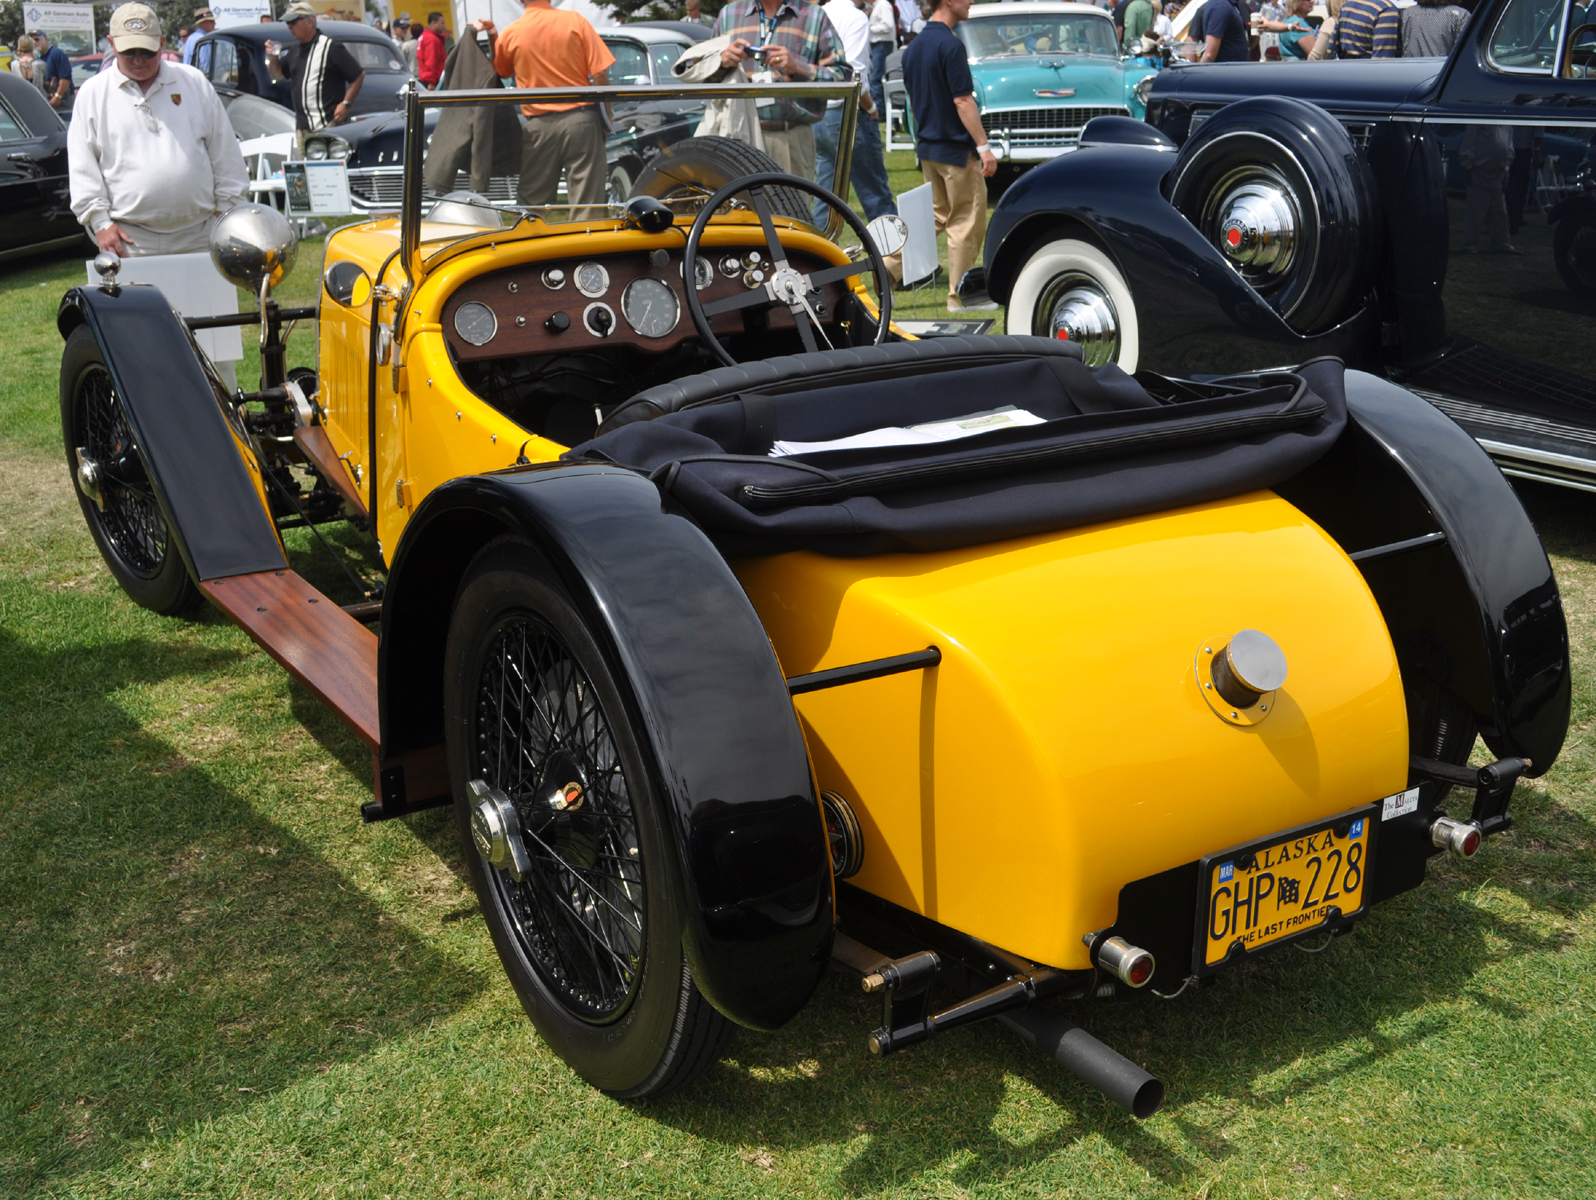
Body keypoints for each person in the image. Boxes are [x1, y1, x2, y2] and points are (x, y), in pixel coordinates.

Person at [69, 3, 248, 258]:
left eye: (147, 51)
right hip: (128, 241)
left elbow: (225, 153)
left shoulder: (194, 82)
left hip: (201, 233)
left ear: (162, 43)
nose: (139, 60)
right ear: (111, 44)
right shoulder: (92, 93)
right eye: (129, 52)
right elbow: (82, 167)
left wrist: (227, 211)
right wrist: (101, 223)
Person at [894, 0, 997, 312]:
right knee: (965, 222)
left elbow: (913, 103)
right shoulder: (951, 46)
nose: (971, 2)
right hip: (954, 151)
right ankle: (961, 297)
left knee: (936, 217)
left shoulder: (912, 49)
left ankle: (884, 266)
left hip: (928, 149)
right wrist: (983, 146)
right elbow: (963, 101)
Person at [473, 0, 614, 210]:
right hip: (581, 120)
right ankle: (586, 241)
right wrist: (607, 115)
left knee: (532, 204)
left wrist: (493, 33)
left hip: (538, 125)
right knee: (588, 204)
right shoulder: (575, 21)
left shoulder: (512, 32)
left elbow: (501, 71)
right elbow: (600, 73)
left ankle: (531, 240)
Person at [713, 0, 849, 181]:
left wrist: (798, 68)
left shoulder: (814, 16)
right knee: (738, 209)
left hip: (791, 138)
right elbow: (703, 74)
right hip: (737, 136)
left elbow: (842, 80)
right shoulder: (728, 15)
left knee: (789, 209)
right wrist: (720, 63)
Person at [814, 0, 896, 224]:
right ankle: (892, 258)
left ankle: (820, 258)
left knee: (825, 199)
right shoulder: (855, 17)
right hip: (847, 112)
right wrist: (871, 107)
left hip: (817, 113)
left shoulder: (818, 13)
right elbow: (854, 76)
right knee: (876, 196)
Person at [265, 3, 366, 133]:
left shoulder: (330, 47)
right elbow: (278, 74)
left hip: (327, 124)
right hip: (303, 127)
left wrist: (346, 104)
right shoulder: (295, 50)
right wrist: (273, 57)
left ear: (309, 22)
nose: (290, 26)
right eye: (287, 23)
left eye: (294, 21)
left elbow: (358, 75)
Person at [1399, 0, 1468, 57]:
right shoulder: (1460, 15)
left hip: (1411, 70)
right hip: (1444, 71)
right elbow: (1464, 53)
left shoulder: (1406, 14)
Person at [1334, 0, 1399, 57]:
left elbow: (1333, 47)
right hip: (1370, 68)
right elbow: (1382, 60)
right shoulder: (1386, 10)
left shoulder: (1347, 6)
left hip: (1346, 66)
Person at [32, 31, 73, 110]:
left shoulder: (57, 54)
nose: (34, 42)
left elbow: (65, 79)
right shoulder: (39, 58)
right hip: (49, 100)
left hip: (62, 100)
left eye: (37, 39)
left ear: (45, 39)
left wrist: (58, 96)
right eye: (32, 40)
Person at [868, 0, 895, 118]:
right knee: (877, 79)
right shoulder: (878, 5)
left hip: (882, 45)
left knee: (876, 79)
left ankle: (880, 113)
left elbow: (888, 25)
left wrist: (869, 28)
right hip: (878, 45)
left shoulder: (883, 5)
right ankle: (880, 111)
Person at [417, 11, 448, 86]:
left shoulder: (424, 36)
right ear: (434, 23)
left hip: (427, 79)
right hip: (433, 81)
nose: (444, 26)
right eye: (442, 23)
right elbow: (431, 61)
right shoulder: (432, 39)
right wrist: (431, 82)